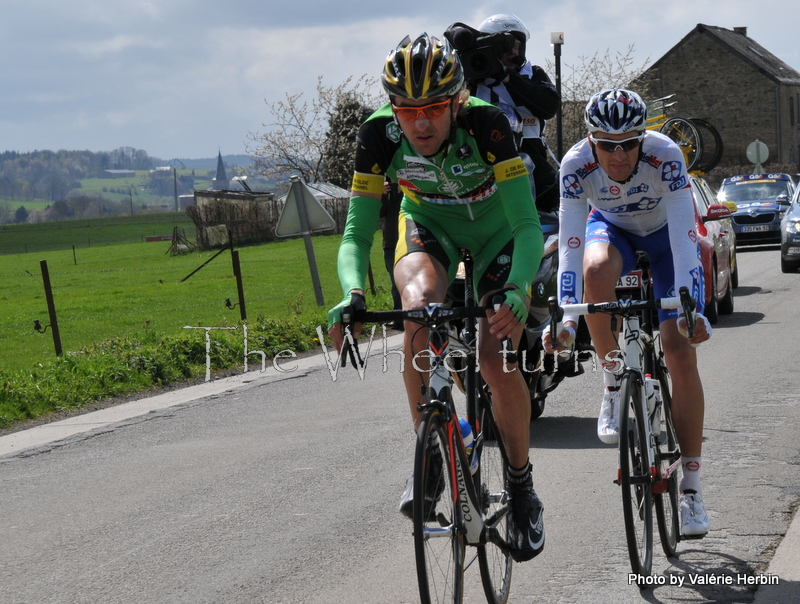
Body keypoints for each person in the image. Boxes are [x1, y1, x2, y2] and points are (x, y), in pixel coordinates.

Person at [328, 33, 545, 562]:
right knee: (417, 312)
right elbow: (356, 234)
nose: (420, 123)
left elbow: (526, 225)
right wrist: (351, 294)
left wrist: (517, 288)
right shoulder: (378, 133)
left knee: (494, 359)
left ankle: (521, 489)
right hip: (430, 226)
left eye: (431, 109)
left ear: (454, 103)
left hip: (498, 235)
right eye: (407, 110)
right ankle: (431, 454)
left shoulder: (488, 125)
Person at [544, 88, 711, 538]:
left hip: (664, 238)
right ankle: (614, 377)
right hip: (611, 230)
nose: (618, 156)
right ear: (591, 141)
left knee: (678, 352)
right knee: (596, 268)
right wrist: (566, 319)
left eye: (628, 144)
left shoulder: (666, 156)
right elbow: (572, 245)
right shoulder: (576, 165)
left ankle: (692, 490)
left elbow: (684, 240)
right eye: (607, 145)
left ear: (643, 138)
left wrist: (689, 307)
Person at [470, 14, 561, 213]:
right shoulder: (472, 80)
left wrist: (507, 78)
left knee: (560, 191)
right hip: (483, 164)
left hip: (532, 160)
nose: (513, 52)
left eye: (517, 45)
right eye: (505, 46)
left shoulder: (533, 74)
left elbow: (549, 107)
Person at [379, 178, 403, 322]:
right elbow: (379, 214)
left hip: (409, 241)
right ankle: (398, 315)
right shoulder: (385, 191)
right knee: (395, 282)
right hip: (390, 243)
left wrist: (406, 189)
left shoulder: (409, 187)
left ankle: (413, 313)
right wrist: (381, 195)